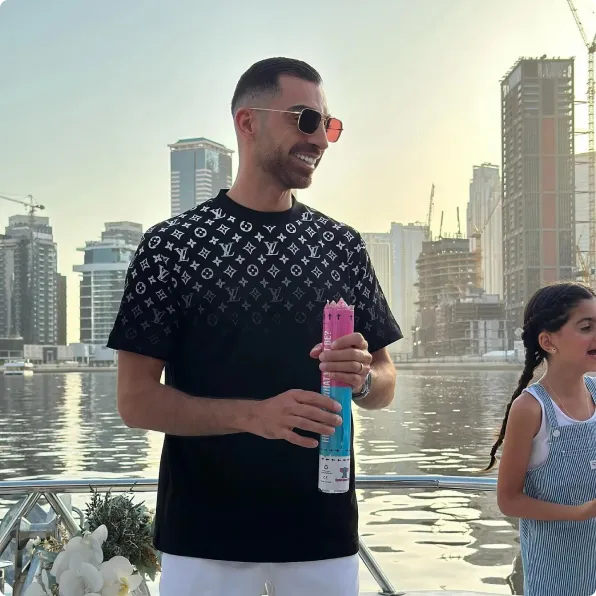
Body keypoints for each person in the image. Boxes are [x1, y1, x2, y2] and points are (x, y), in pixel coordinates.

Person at [107, 57, 402, 596]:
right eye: (305, 120)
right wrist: (255, 416)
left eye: (328, 125)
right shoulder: (171, 246)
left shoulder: (342, 245)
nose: (321, 139)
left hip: (323, 533)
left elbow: (385, 378)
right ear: (248, 122)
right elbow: (135, 401)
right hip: (204, 539)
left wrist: (362, 379)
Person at [485, 281, 596, 596]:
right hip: (557, 576)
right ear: (548, 341)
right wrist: (579, 513)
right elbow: (508, 500)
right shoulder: (531, 409)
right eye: (586, 327)